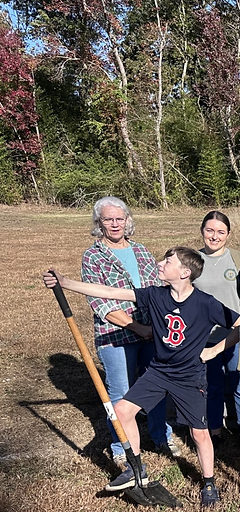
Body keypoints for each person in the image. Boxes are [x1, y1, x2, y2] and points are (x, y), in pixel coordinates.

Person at [44, 247, 240, 507]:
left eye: (167, 261)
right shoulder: (155, 295)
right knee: (122, 411)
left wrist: (214, 350)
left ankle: (208, 482)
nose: (159, 264)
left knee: (199, 434)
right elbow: (110, 293)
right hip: (159, 371)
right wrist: (66, 283)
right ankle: (136, 467)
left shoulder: (205, 303)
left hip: (189, 376)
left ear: (184, 272)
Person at [81, 196, 176, 466]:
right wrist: (137, 327)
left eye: (119, 218)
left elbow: (157, 290)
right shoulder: (93, 256)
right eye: (108, 219)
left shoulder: (142, 251)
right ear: (99, 223)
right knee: (121, 393)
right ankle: (122, 446)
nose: (114, 224)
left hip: (151, 334)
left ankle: (161, 436)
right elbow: (101, 303)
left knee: (156, 386)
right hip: (116, 336)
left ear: (127, 220)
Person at [196, 210, 240, 449]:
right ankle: (215, 431)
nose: (215, 236)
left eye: (220, 232)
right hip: (204, 336)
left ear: (228, 235)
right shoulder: (192, 260)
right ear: (202, 231)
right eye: (210, 230)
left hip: (236, 334)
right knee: (212, 384)